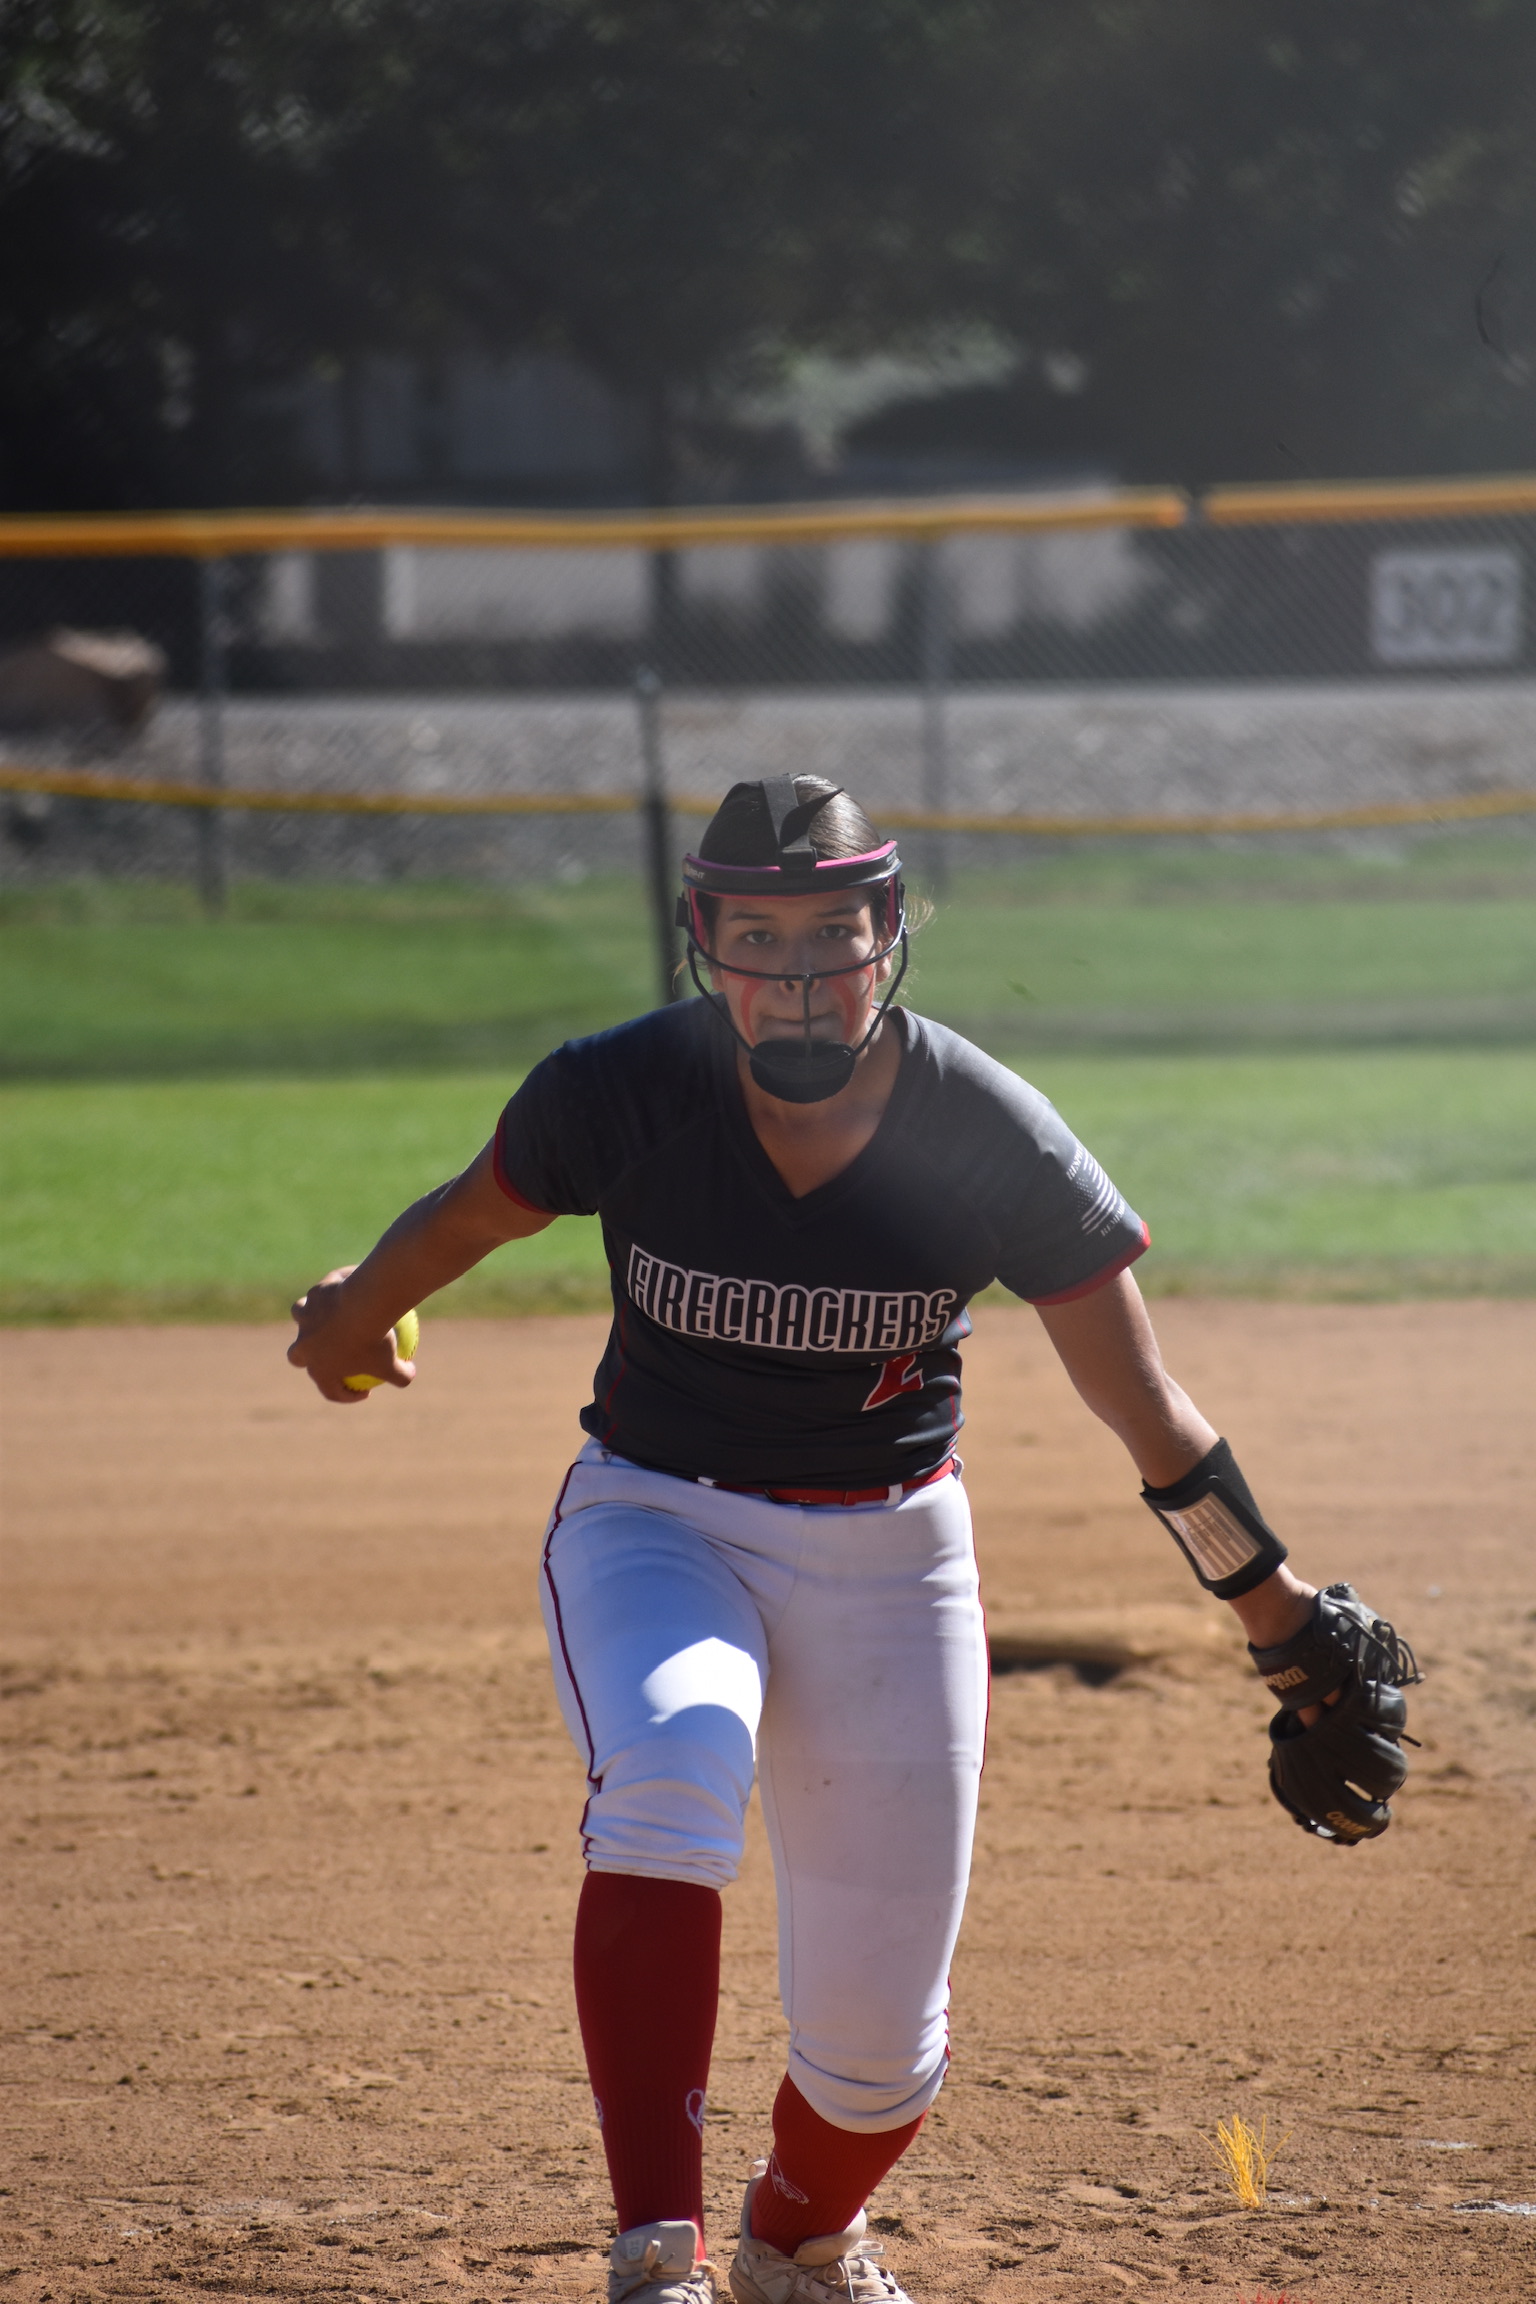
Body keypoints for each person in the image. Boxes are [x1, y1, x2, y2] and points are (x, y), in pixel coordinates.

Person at [289, 776, 1417, 2304]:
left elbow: (1143, 1405)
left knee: (884, 2058)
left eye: (834, 934)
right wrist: (355, 1312)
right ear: (702, 941)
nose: (800, 976)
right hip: (657, 1518)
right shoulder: (622, 1089)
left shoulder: (986, 1130)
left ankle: (799, 2240)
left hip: (892, 1557)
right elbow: (466, 1216)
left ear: (892, 932)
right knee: (674, 1768)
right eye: (758, 938)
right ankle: (660, 2254)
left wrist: (1275, 1613)